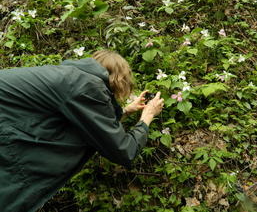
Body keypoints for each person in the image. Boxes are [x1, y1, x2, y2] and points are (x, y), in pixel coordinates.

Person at [0, 49, 164, 212]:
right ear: (120, 79)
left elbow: (90, 122)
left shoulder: (73, 78)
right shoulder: (87, 86)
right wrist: (147, 116)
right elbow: (124, 150)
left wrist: (125, 111)